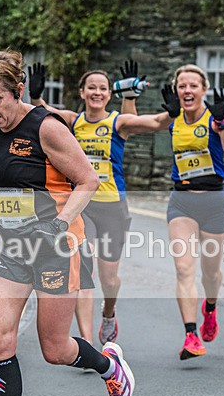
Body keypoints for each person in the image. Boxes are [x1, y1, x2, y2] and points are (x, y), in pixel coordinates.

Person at [0, 50, 136, 396]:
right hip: (11, 247)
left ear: (17, 91)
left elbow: (88, 180)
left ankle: (108, 365)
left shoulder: (48, 128)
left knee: (54, 349)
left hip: (56, 247)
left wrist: (58, 224)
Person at [28, 60, 150, 347]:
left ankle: (108, 313)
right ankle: (85, 340)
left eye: (103, 89)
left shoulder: (117, 121)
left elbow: (155, 122)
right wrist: (35, 96)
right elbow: (40, 113)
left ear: (109, 94)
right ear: (82, 92)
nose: (97, 92)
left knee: (109, 278)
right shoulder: (72, 120)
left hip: (112, 206)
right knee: (84, 271)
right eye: (91, 88)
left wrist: (140, 98)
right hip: (81, 206)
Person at [131, 65, 224, 359]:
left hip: (215, 202)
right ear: (176, 90)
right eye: (182, 86)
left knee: (211, 272)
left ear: (203, 89)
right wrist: (131, 96)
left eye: (193, 86)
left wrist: (223, 121)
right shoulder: (173, 118)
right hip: (182, 201)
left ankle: (211, 307)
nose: (187, 91)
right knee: (183, 268)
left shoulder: (215, 119)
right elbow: (138, 123)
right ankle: (191, 334)